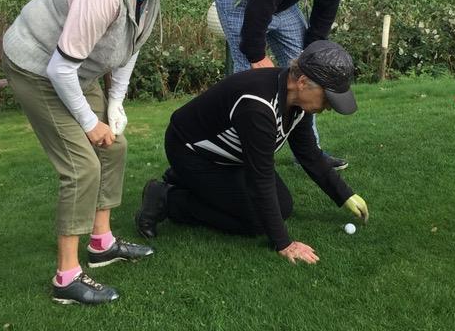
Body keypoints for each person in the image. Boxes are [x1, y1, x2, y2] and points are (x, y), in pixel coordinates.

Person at [2, 0, 219, 305]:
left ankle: (100, 244)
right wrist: (88, 122)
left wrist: (114, 104)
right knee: (81, 166)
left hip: (76, 71)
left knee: (113, 146)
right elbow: (59, 67)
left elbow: (127, 50)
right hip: (37, 67)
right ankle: (66, 278)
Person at [135, 40, 370, 264]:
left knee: (283, 207)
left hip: (231, 157)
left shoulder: (297, 103)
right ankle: (168, 199)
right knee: (256, 221)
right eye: (327, 98)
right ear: (303, 82)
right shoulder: (258, 105)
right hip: (193, 154)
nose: (328, 106)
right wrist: (283, 243)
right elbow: (262, 177)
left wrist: (344, 194)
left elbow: (308, 152)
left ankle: (184, 181)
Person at [212, 0, 379, 171]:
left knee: (309, 72)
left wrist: (314, 49)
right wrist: (255, 54)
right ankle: (245, 159)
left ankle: (309, 155)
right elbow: (261, 1)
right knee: (250, 79)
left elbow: (327, 3)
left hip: (280, 1)